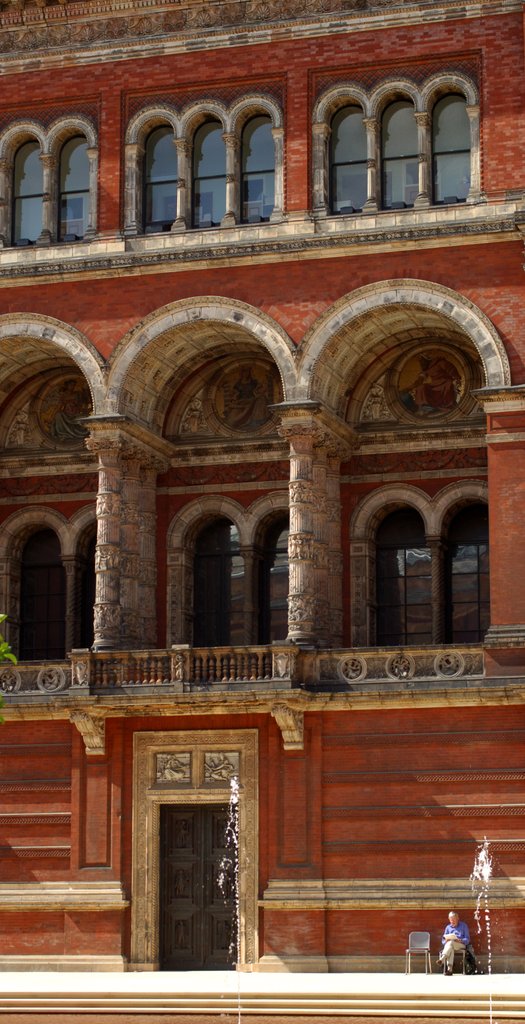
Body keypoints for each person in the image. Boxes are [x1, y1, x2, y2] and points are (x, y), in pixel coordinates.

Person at [437, 910, 472, 975]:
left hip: (461, 944)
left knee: (450, 943)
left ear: (458, 918)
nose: (452, 921)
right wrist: (446, 940)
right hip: (451, 945)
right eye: (451, 919)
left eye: (454, 919)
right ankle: (450, 970)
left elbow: (467, 939)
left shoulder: (463, 925)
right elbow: (443, 940)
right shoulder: (448, 927)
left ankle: (442, 958)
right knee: (450, 946)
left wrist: (460, 940)